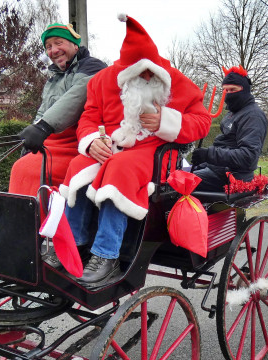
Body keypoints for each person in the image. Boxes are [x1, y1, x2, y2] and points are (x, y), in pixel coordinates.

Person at [59, 14, 211, 288]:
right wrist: (92, 141)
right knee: (77, 165)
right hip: (111, 147)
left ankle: (107, 255)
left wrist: (166, 120)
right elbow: (88, 118)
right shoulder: (102, 81)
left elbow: (202, 123)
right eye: (140, 74)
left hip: (157, 154)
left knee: (121, 168)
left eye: (151, 72)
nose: (148, 77)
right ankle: (73, 243)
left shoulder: (176, 81)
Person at [8, 23, 107, 196]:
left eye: (58, 43)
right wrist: (32, 134)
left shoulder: (92, 67)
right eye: (48, 47)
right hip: (53, 144)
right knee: (20, 167)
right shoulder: (53, 80)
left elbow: (76, 97)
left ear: (74, 45)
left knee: (29, 170)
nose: (53, 50)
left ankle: (43, 220)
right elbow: (42, 111)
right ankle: (24, 219)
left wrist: (44, 127)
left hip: (78, 144)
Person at [190, 65, 267, 191]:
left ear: (244, 90)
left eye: (233, 89)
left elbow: (248, 156)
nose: (229, 94)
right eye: (225, 90)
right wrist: (205, 162)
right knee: (175, 176)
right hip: (219, 170)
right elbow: (227, 144)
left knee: (177, 186)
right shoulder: (233, 113)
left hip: (233, 176)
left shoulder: (253, 116)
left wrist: (209, 154)